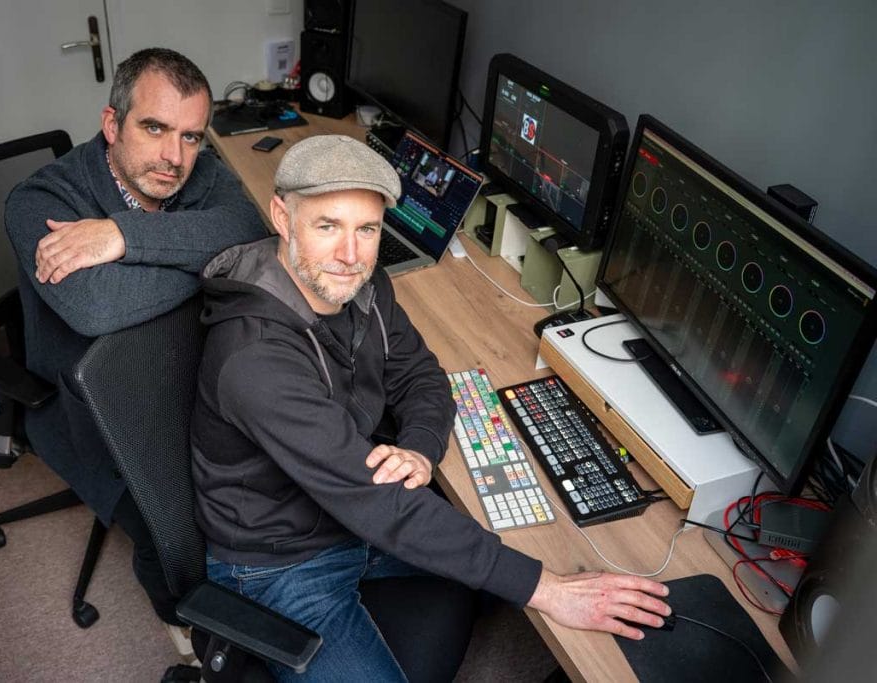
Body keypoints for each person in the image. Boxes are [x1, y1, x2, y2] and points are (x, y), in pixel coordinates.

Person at [191, 135, 671, 682]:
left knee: (515, 551)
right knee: (523, 575)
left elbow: (421, 376)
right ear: (283, 216)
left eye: (366, 229)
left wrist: (420, 447)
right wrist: (551, 592)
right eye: (327, 226)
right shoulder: (255, 360)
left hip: (354, 518)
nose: (351, 256)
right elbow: (380, 504)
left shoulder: (361, 286)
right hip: (282, 561)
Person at [4, 48, 266, 632]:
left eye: (192, 137)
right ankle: (186, 630)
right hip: (90, 409)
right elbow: (97, 306)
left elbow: (248, 231)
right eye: (154, 128)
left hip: (184, 366)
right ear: (111, 124)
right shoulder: (38, 203)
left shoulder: (190, 173)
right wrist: (202, 261)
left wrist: (122, 236)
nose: (174, 157)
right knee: (170, 535)